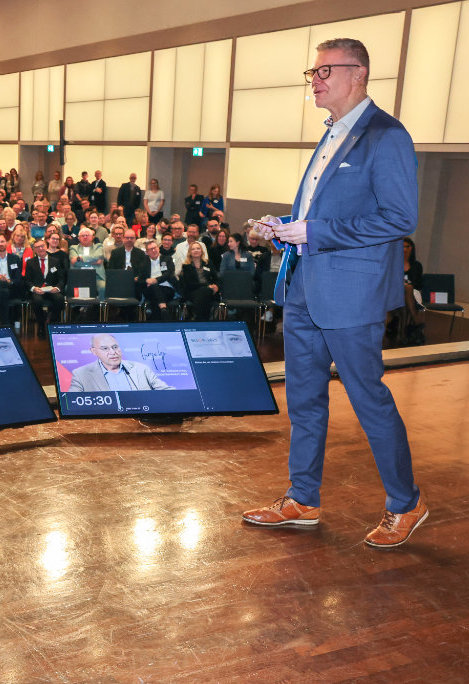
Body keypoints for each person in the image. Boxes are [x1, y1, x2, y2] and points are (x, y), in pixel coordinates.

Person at [243, 38, 427, 548]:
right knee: (304, 399)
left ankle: (406, 503)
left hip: (351, 294)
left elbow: (399, 217)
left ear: (358, 74)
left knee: (368, 400)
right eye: (313, 72)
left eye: (324, 71)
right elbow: (322, 213)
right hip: (304, 286)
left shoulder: (386, 135)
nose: (315, 80)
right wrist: (285, 225)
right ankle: (302, 497)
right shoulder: (331, 133)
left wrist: (315, 231)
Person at [68, 333, 173, 391]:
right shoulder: (81, 374)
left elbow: (166, 391)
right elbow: (71, 403)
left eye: (115, 347)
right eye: (105, 348)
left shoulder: (141, 369)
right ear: (94, 351)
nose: (113, 352)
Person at [178, 241, 219, 321]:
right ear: (190, 252)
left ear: (201, 251)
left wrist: (216, 286)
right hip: (193, 291)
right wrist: (207, 286)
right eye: (193, 249)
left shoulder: (208, 263)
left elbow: (216, 279)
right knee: (205, 292)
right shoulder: (186, 266)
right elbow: (189, 284)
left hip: (209, 290)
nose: (196, 250)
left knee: (205, 293)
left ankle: (198, 319)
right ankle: (204, 319)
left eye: (198, 248)